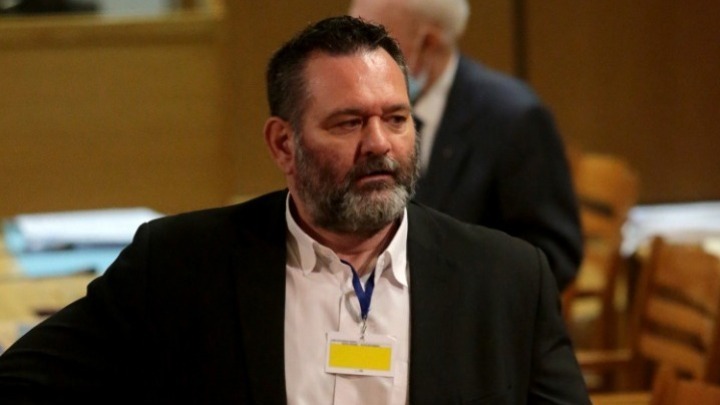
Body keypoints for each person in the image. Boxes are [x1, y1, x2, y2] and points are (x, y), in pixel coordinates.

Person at [0, 16, 589, 404]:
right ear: (284, 144)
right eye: (349, 122)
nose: (379, 144)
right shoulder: (180, 265)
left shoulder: (507, 279)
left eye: (396, 119)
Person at [349, 0, 583, 291]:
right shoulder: (366, 113)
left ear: (428, 43)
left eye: (371, 47)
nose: (356, 63)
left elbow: (555, 255)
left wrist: (460, 299)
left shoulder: (513, 118)